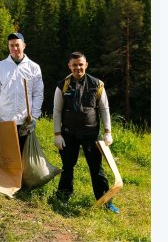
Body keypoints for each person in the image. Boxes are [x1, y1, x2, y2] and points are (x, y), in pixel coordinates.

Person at [52, 52, 118, 214]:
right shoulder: (62, 85)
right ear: (69, 66)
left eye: (80, 64)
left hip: (91, 135)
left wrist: (107, 131)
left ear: (86, 65)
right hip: (68, 134)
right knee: (67, 166)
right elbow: (57, 111)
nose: (78, 68)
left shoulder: (97, 84)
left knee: (96, 168)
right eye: (74, 65)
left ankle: (105, 200)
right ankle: (62, 196)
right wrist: (57, 134)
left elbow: (104, 109)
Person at [0, 33, 44, 163]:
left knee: (24, 155)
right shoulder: (0, 66)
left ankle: (23, 180)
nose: (14, 48)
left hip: (25, 120)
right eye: (11, 45)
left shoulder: (33, 67)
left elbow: (38, 93)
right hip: (5, 119)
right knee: (7, 154)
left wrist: (34, 117)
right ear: (8, 47)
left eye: (17, 45)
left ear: (23, 45)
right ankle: (8, 179)